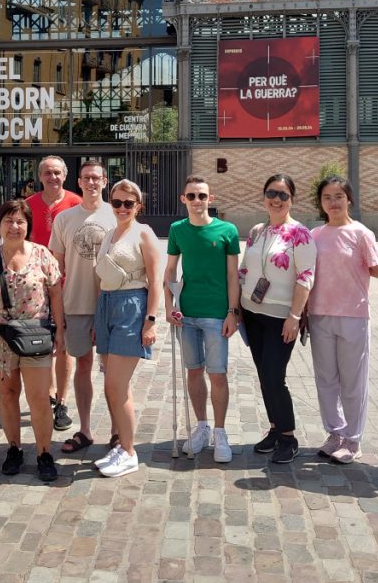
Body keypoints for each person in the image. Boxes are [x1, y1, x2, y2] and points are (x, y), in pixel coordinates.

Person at [0, 200, 66, 482]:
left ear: (28, 226)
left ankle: (44, 453)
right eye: (8, 221)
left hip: (35, 335)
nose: (14, 227)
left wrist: (60, 330)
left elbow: (56, 296)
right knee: (8, 395)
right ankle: (14, 448)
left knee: (38, 398)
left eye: (20, 222)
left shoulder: (43, 255)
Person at [238, 173, 316, 464]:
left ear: (291, 199)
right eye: (272, 193)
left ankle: (288, 437)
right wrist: (236, 308)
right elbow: (244, 269)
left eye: (283, 195)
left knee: (274, 376)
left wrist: (295, 316)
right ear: (264, 196)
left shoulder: (300, 234)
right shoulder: (258, 231)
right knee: (264, 377)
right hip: (252, 314)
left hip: (281, 317)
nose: (276, 199)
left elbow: (306, 277)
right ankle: (274, 428)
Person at [307, 175, 378, 463]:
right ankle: (334, 433)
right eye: (327, 197)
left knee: (353, 381)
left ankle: (353, 439)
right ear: (321, 203)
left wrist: (366, 263)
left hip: (353, 314)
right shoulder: (314, 236)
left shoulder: (361, 233)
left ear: (349, 199)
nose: (334, 202)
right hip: (319, 314)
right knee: (326, 378)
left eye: (339, 196)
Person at [163, 175, 240, 464]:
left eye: (202, 196)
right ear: (183, 199)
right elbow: (170, 271)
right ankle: (202, 427)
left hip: (217, 313)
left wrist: (233, 312)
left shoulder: (227, 230)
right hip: (187, 314)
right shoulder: (177, 230)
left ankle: (220, 432)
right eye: (192, 196)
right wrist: (168, 305)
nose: (197, 201)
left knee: (217, 373)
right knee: (193, 371)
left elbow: (233, 275)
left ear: (211, 198)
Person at [91, 180, 162, 477]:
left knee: (116, 386)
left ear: (138, 206)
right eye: (117, 202)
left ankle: (129, 451)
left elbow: (155, 281)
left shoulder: (144, 234)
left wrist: (151, 320)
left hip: (131, 306)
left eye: (128, 204)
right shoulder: (109, 233)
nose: (122, 208)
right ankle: (122, 445)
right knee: (111, 385)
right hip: (107, 304)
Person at [48, 160, 117, 455]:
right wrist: (56, 312)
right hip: (75, 303)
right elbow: (55, 269)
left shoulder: (117, 215)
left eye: (96, 178)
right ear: (79, 182)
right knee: (82, 366)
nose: (91, 183)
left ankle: (117, 431)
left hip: (111, 306)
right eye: (86, 178)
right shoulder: (64, 219)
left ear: (104, 181)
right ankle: (86, 429)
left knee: (113, 371)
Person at [25, 155, 82, 433]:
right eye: (47, 172)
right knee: (41, 341)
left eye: (57, 172)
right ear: (40, 176)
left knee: (64, 344)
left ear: (65, 175)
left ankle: (62, 400)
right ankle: (47, 396)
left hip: (69, 284)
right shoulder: (28, 206)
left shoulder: (76, 204)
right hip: (35, 288)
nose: (53, 177)